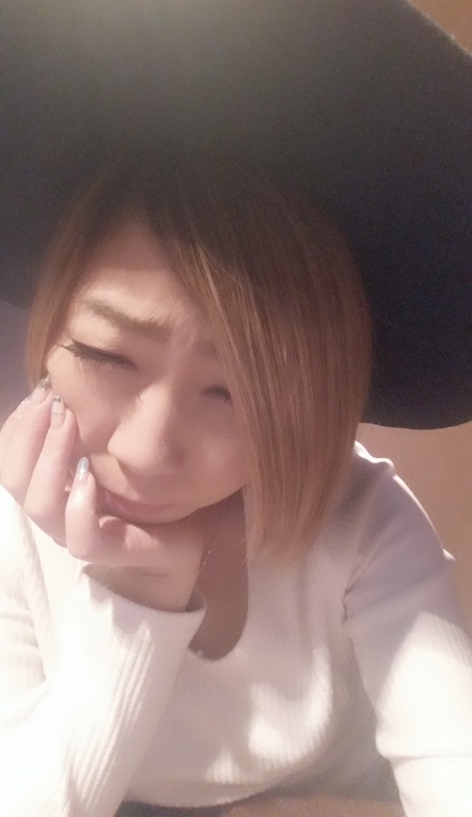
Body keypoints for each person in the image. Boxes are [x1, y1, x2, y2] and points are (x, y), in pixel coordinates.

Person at [1, 156, 472, 817]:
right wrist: (140, 600)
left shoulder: (364, 522)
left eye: (232, 392)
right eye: (107, 356)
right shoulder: (14, 528)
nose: (145, 452)